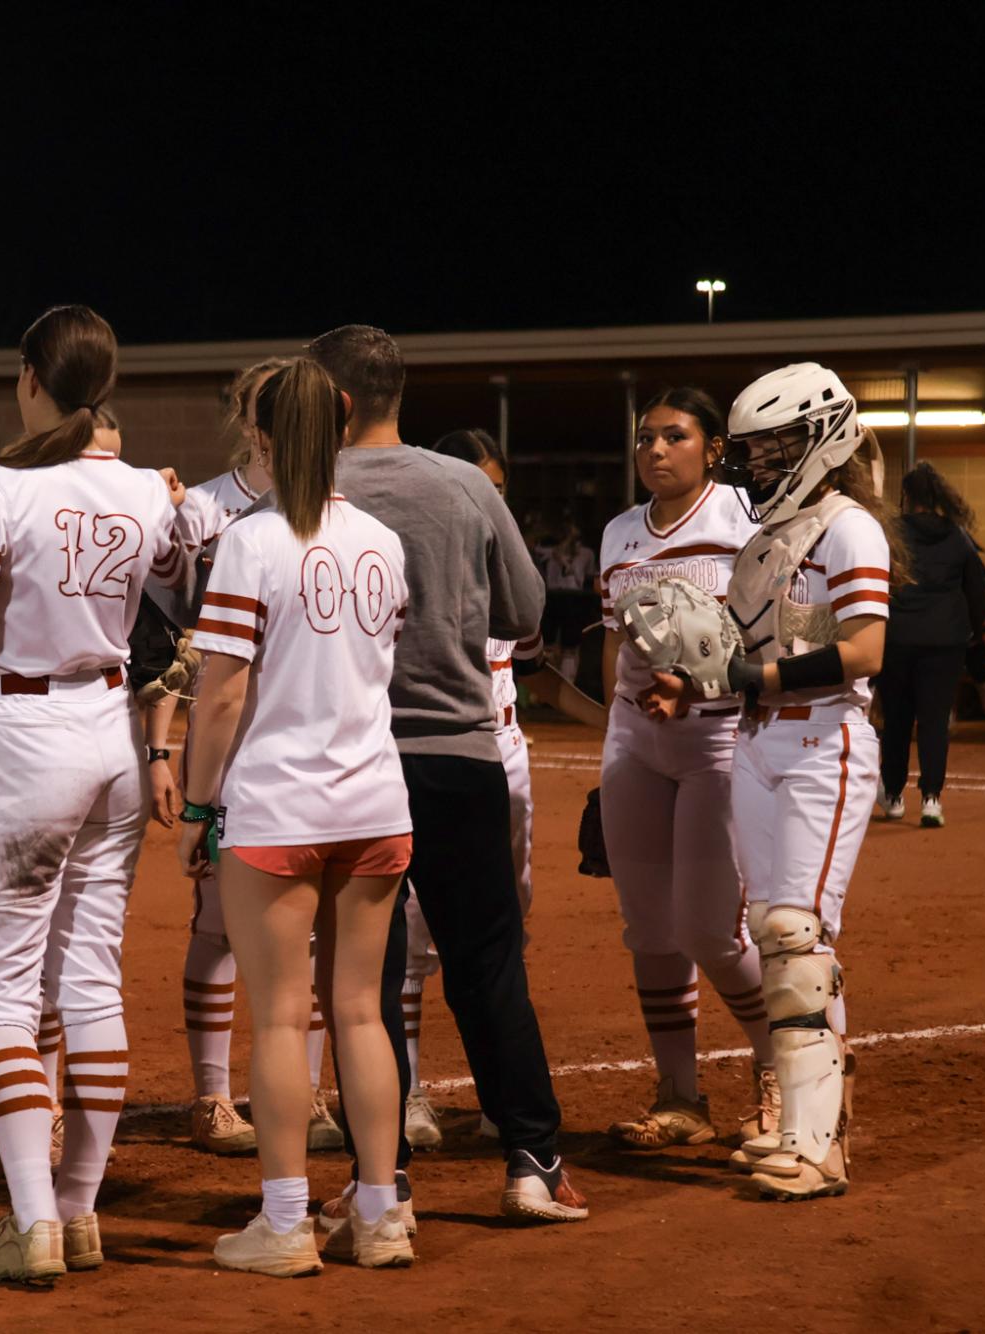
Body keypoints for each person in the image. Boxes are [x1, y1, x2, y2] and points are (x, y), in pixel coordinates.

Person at [0, 305, 185, 1285]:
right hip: (111, 731)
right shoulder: (144, 489)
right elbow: (177, 578)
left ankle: (32, 1219)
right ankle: (77, 1209)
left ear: (33, 376)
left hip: (29, 736)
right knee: (88, 978)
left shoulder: (0, 484)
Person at [305, 325, 587, 1229]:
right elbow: (524, 613)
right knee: (487, 966)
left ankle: (379, 1183)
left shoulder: (304, 492)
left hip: (348, 767)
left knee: (362, 987)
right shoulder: (464, 483)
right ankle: (533, 1161)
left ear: (334, 400)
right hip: (461, 755)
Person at [177, 358, 414, 1276]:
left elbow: (223, 696)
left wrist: (199, 803)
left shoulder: (251, 540)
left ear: (261, 435)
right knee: (360, 1012)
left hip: (278, 805)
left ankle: (284, 1223)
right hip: (375, 801)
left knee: (279, 1018)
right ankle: (380, 1213)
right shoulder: (382, 541)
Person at [648, 361, 904, 1200]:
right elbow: (742, 660)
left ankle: (818, 1144)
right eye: (752, 452)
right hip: (762, 744)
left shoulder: (846, 528)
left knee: (795, 934)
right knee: (779, 935)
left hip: (822, 739)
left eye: (775, 448)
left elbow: (864, 653)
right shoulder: (767, 540)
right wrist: (695, 678)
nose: (757, 465)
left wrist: (750, 681)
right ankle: (803, 1127)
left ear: (822, 438)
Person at [148, 357, 349, 1157]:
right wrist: (161, 749)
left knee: (306, 934)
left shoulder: (337, 507)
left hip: (306, 732)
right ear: (249, 418)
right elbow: (172, 646)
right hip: (228, 741)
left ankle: (300, 1096)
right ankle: (209, 1094)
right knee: (218, 924)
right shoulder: (201, 510)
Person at [403, 428, 606, 1148]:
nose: (491, 500)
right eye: (478, 485)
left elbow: (535, 672)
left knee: (500, 932)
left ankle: (497, 1098)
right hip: (443, 756)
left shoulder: (497, 575)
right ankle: (409, 1093)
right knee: (412, 937)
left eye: (497, 487)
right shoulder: (420, 569)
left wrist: (616, 729)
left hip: (504, 757)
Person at [593, 389, 776, 1150]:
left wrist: (704, 683)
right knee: (649, 931)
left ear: (712, 448)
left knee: (711, 931)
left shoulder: (746, 520)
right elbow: (613, 643)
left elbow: (772, 639)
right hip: (635, 743)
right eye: (645, 438)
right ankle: (680, 1097)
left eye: (674, 436)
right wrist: (616, 715)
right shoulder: (617, 533)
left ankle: (784, 1074)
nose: (656, 451)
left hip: (718, 743)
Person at [876, 462, 985, 828]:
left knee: (896, 720)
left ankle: (893, 797)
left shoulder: (889, 535)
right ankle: (931, 800)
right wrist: (975, 632)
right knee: (934, 722)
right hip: (945, 641)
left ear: (907, 497)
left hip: (896, 639)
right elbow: (976, 589)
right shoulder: (957, 537)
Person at [539, 518, 597, 685]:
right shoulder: (548, 551)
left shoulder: (586, 553)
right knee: (549, 645)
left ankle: (566, 685)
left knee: (570, 646)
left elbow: (588, 577)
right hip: (554, 596)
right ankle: (549, 686)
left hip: (574, 598)